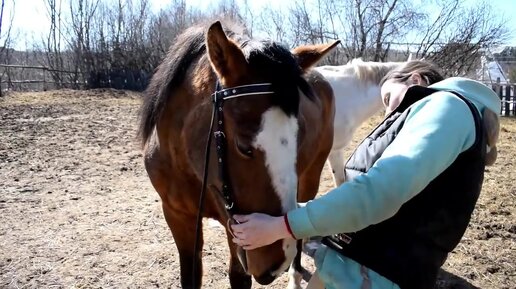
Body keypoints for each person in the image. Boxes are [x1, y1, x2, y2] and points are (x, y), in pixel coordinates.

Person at [230, 60, 502, 289]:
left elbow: (377, 192)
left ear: (416, 79)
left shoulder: (447, 108)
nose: (388, 112)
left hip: (372, 276)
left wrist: (282, 226)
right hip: (357, 271)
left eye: (388, 98)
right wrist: (294, 216)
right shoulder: (440, 114)